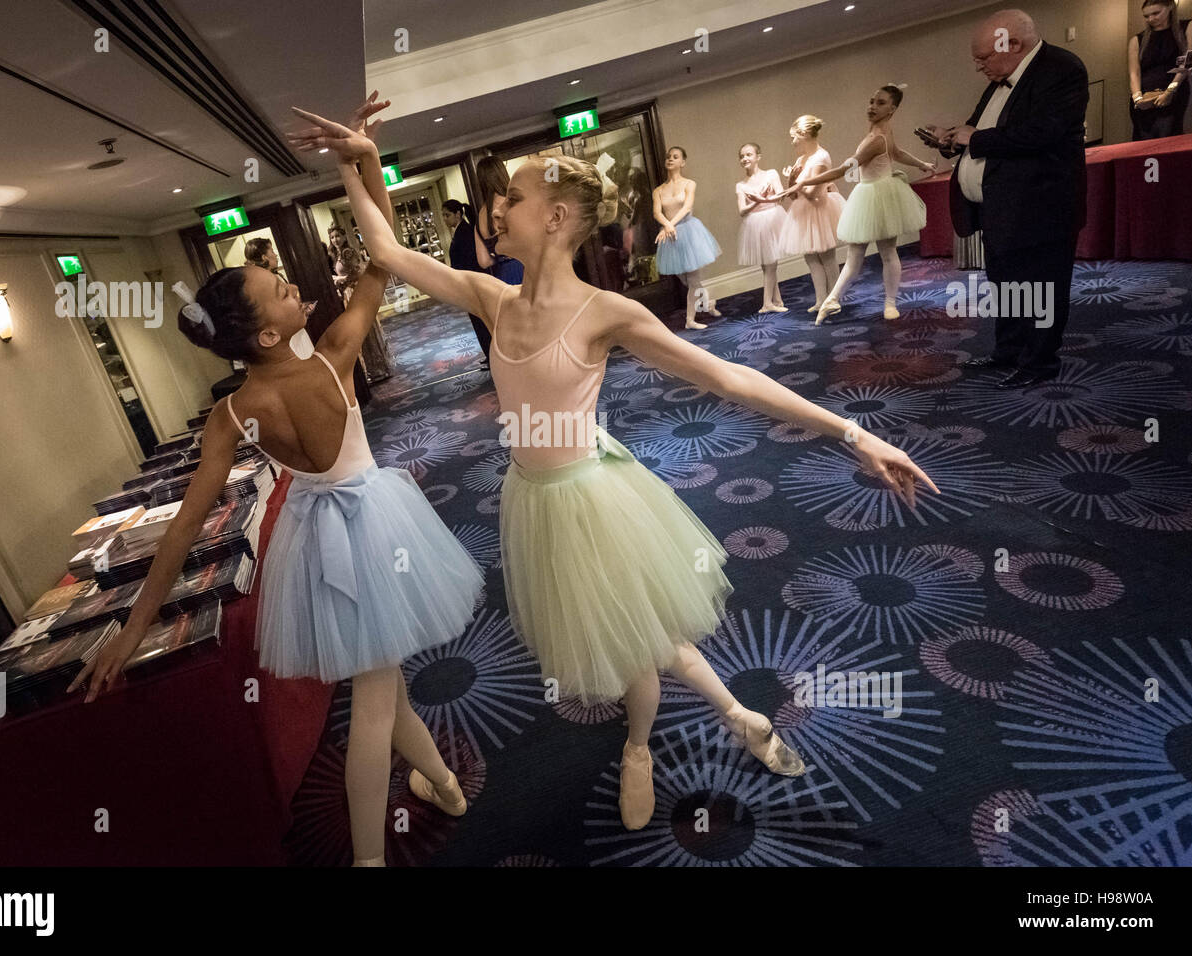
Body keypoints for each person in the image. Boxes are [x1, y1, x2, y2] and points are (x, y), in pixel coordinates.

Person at [290, 107, 941, 832]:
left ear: (556, 216)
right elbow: (384, 245)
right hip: (531, 498)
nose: (499, 207)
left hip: (592, 499)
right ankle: (743, 717)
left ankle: (639, 749)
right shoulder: (489, 295)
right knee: (640, 631)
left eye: (515, 197)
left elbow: (731, 380)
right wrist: (360, 161)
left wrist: (854, 434)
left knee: (632, 648)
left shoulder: (606, 313)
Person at [72, 94, 484, 868]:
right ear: (269, 332)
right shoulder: (335, 350)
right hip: (379, 534)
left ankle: (442, 786)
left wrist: (132, 627)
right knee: (371, 705)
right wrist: (363, 161)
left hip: (319, 543)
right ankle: (368, 859)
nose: (294, 283)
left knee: (381, 687)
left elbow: (189, 522)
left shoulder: (235, 412)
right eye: (280, 289)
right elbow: (382, 254)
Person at [925, 9, 1088, 389]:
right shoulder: (1001, 80)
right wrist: (952, 140)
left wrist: (974, 139)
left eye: (984, 58)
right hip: (1001, 210)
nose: (979, 67)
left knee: (1042, 288)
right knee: (1008, 285)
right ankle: (1011, 351)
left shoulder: (1062, 69)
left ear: (1011, 44)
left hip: (1042, 209)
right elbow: (982, 132)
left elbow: (1041, 135)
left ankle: (1039, 363)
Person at [777, 87, 934, 323]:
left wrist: (803, 182)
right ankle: (832, 299)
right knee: (856, 253)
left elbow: (843, 170)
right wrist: (921, 163)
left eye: (880, 103)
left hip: (881, 194)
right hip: (869, 194)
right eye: (871, 101)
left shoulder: (878, 138)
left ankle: (888, 303)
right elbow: (897, 152)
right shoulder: (879, 132)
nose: (872, 106)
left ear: (892, 109)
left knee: (887, 252)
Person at [777, 115, 846, 315]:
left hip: (820, 210)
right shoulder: (801, 159)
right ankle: (820, 299)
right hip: (804, 211)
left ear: (804, 134)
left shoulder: (821, 157)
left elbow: (814, 193)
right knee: (811, 258)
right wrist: (792, 180)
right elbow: (795, 194)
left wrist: (797, 180)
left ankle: (834, 299)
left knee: (827, 257)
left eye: (794, 137)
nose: (792, 142)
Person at [653, 146, 723, 330]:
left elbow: (686, 208)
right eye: (668, 157)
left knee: (692, 280)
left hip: (689, 232)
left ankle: (690, 320)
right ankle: (709, 304)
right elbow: (656, 213)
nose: (670, 159)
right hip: (671, 237)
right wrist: (667, 225)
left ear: (682, 162)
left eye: (675, 157)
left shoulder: (689, 184)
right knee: (687, 280)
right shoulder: (658, 190)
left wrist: (669, 225)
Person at [1129, 0, 1192, 141]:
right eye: (1146, 16)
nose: (1151, 19)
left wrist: (1170, 91)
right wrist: (1138, 98)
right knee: (1143, 140)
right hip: (1145, 97)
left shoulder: (1188, 26)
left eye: (1156, 13)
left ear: (1170, 7)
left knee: (1169, 137)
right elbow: (1134, 72)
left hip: (1174, 91)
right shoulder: (1137, 39)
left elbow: (1187, 61)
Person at [735, 143, 789, 313]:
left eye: (749, 155)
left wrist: (765, 198)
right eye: (742, 156)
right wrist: (757, 201)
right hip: (754, 223)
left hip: (772, 218)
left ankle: (771, 302)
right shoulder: (740, 185)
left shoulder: (771, 174)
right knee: (767, 265)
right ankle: (772, 301)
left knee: (771, 263)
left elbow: (780, 196)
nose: (745, 159)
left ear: (758, 156)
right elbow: (742, 211)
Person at [443, 198, 492, 365]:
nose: (444, 219)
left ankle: (491, 356)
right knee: (478, 320)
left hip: (472, 283)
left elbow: (470, 260)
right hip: (469, 283)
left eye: (447, 215)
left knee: (480, 320)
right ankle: (489, 354)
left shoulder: (465, 231)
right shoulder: (461, 230)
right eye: (443, 215)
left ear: (458, 214)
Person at [474, 155, 525, 286]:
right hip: (525, 267)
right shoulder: (511, 203)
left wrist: (500, 256)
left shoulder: (481, 215)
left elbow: (483, 261)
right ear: (502, 174)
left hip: (503, 276)